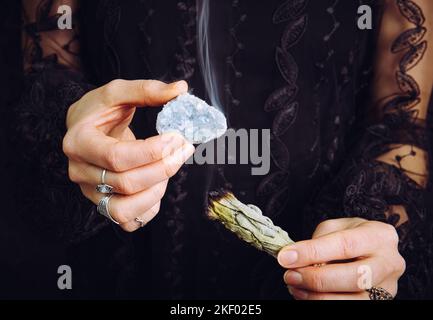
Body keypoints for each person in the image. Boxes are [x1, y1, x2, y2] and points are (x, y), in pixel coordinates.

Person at [12, 0, 433, 299]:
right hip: (119, 254)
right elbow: (48, 68)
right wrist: (74, 129)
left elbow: (401, 119)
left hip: (311, 264)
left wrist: (371, 231)